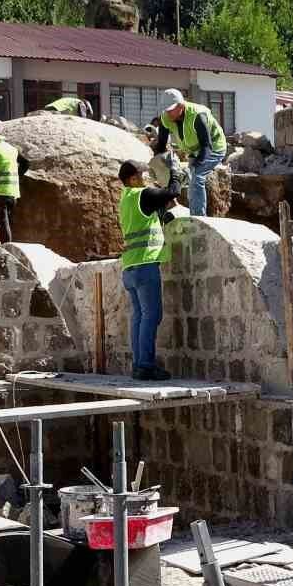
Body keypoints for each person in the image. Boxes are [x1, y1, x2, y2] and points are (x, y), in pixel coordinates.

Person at [117, 155, 182, 381]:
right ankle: (146, 365)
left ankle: (138, 365)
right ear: (132, 179)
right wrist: (175, 171)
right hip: (145, 265)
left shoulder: (126, 198)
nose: (146, 177)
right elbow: (173, 191)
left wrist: (163, 214)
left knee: (139, 317)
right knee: (152, 316)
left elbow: (152, 212)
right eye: (142, 174)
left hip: (130, 266)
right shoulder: (142, 195)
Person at [152, 88, 226, 218]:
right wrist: (159, 162)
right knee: (185, 176)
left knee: (196, 176)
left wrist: (193, 167)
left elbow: (206, 146)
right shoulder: (166, 117)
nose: (168, 113)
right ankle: (177, 207)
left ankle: (198, 218)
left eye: (171, 109)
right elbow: (162, 143)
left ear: (181, 105)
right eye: (166, 110)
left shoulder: (198, 116)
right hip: (194, 150)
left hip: (213, 147)